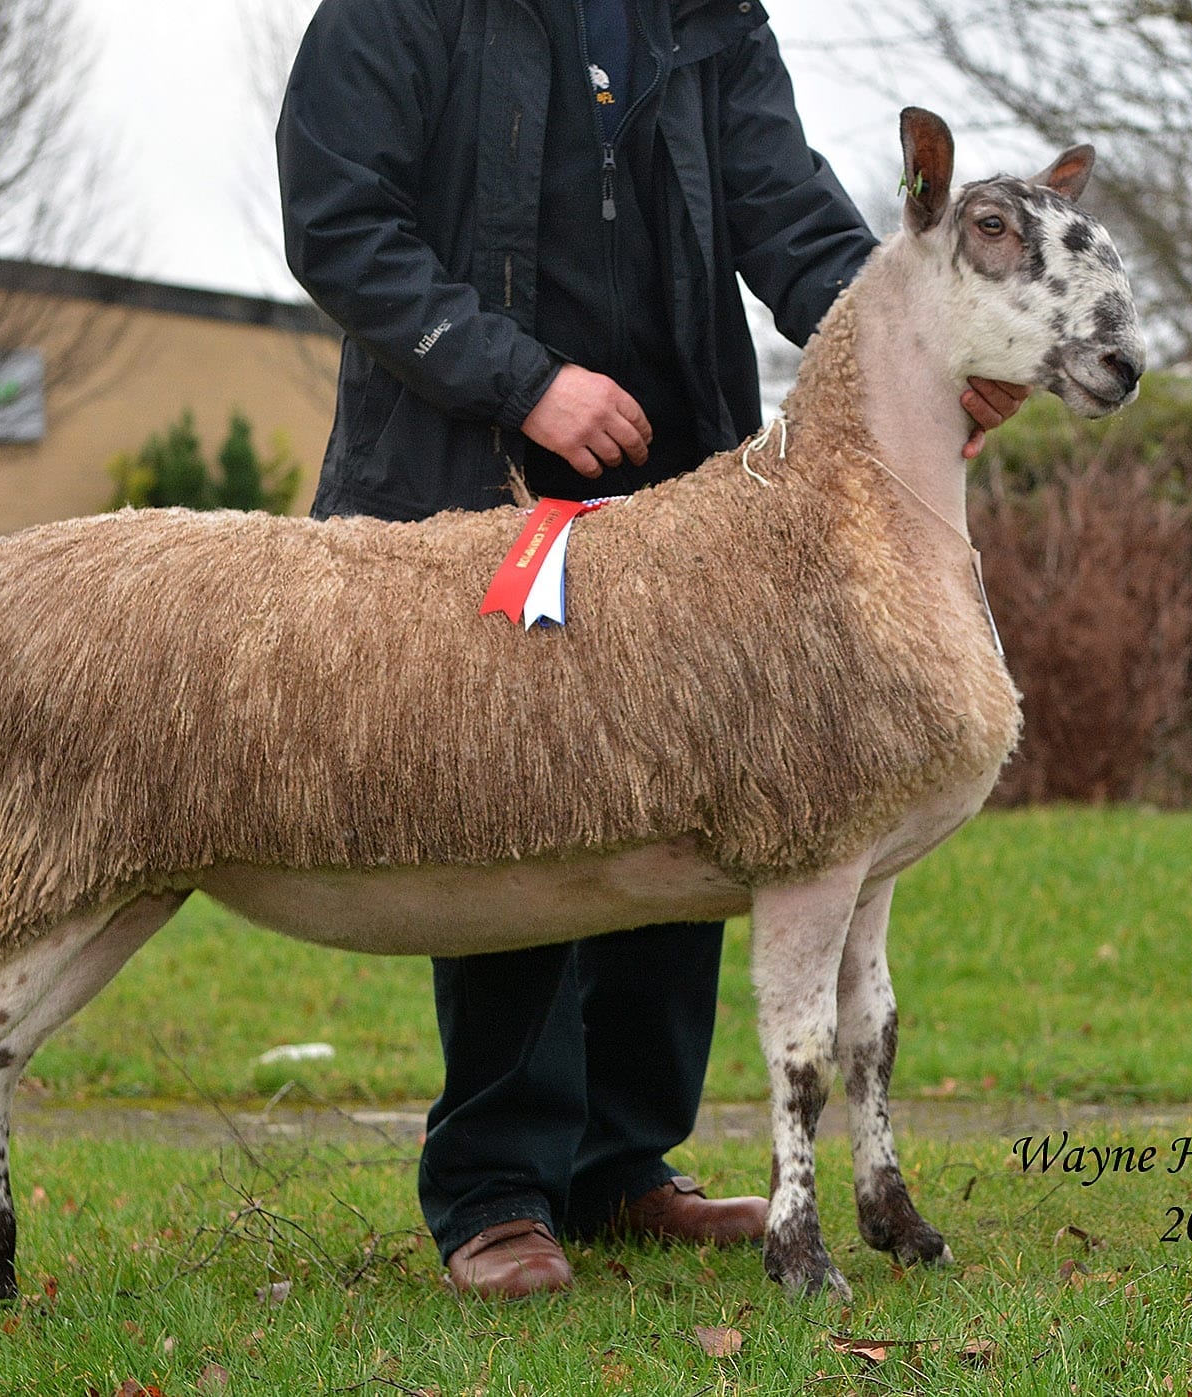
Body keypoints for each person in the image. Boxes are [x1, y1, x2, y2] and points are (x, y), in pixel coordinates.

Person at [277, 0, 1026, 1300]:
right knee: (518, 823)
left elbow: (787, 216)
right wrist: (524, 379)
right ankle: (498, 1187)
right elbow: (339, 223)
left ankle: (624, 1168)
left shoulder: (711, 17)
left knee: (698, 818)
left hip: (691, 494)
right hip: (478, 477)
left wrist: (921, 349)